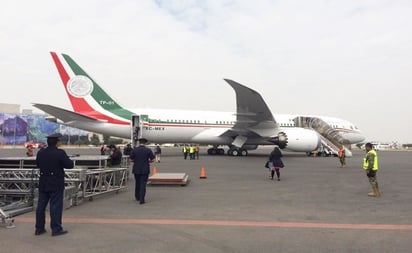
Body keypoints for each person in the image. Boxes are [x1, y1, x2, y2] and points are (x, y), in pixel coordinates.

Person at [35, 133, 74, 236]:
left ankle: (39, 228)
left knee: (41, 206)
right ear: (57, 142)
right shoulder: (60, 153)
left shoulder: (41, 152)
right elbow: (70, 165)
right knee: (55, 206)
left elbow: (38, 164)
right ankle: (56, 229)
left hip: (43, 181)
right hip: (56, 182)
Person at [129, 138, 155, 204]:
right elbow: (152, 159)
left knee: (137, 183)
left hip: (136, 169)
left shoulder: (135, 150)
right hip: (145, 169)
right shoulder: (148, 150)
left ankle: (137, 196)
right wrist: (147, 161)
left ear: (139, 143)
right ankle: (142, 199)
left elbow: (130, 159)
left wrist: (136, 161)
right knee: (143, 184)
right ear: (145, 143)